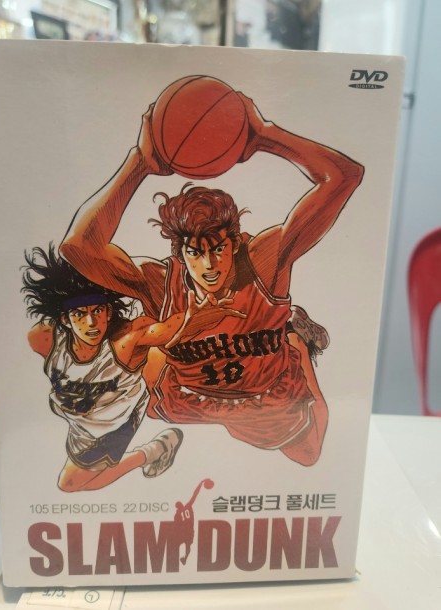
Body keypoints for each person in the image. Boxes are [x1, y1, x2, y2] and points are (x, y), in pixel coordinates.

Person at [60, 90, 364, 466]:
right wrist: (140, 162)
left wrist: (265, 135)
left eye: (218, 249)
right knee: (143, 345)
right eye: (195, 253)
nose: (209, 265)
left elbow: (345, 176)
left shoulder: (264, 263)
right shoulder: (160, 281)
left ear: (234, 244)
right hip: (191, 395)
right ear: (179, 254)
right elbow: (77, 247)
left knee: (309, 456)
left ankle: (295, 345)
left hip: (263, 395)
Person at [22, 245, 244, 491]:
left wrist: (192, 319)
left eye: (98, 311)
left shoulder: (126, 341)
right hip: (82, 422)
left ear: (108, 311)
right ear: (65, 319)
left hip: (113, 425)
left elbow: (163, 329)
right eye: (79, 314)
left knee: (69, 484)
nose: (92, 322)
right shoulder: (43, 338)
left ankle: (154, 450)